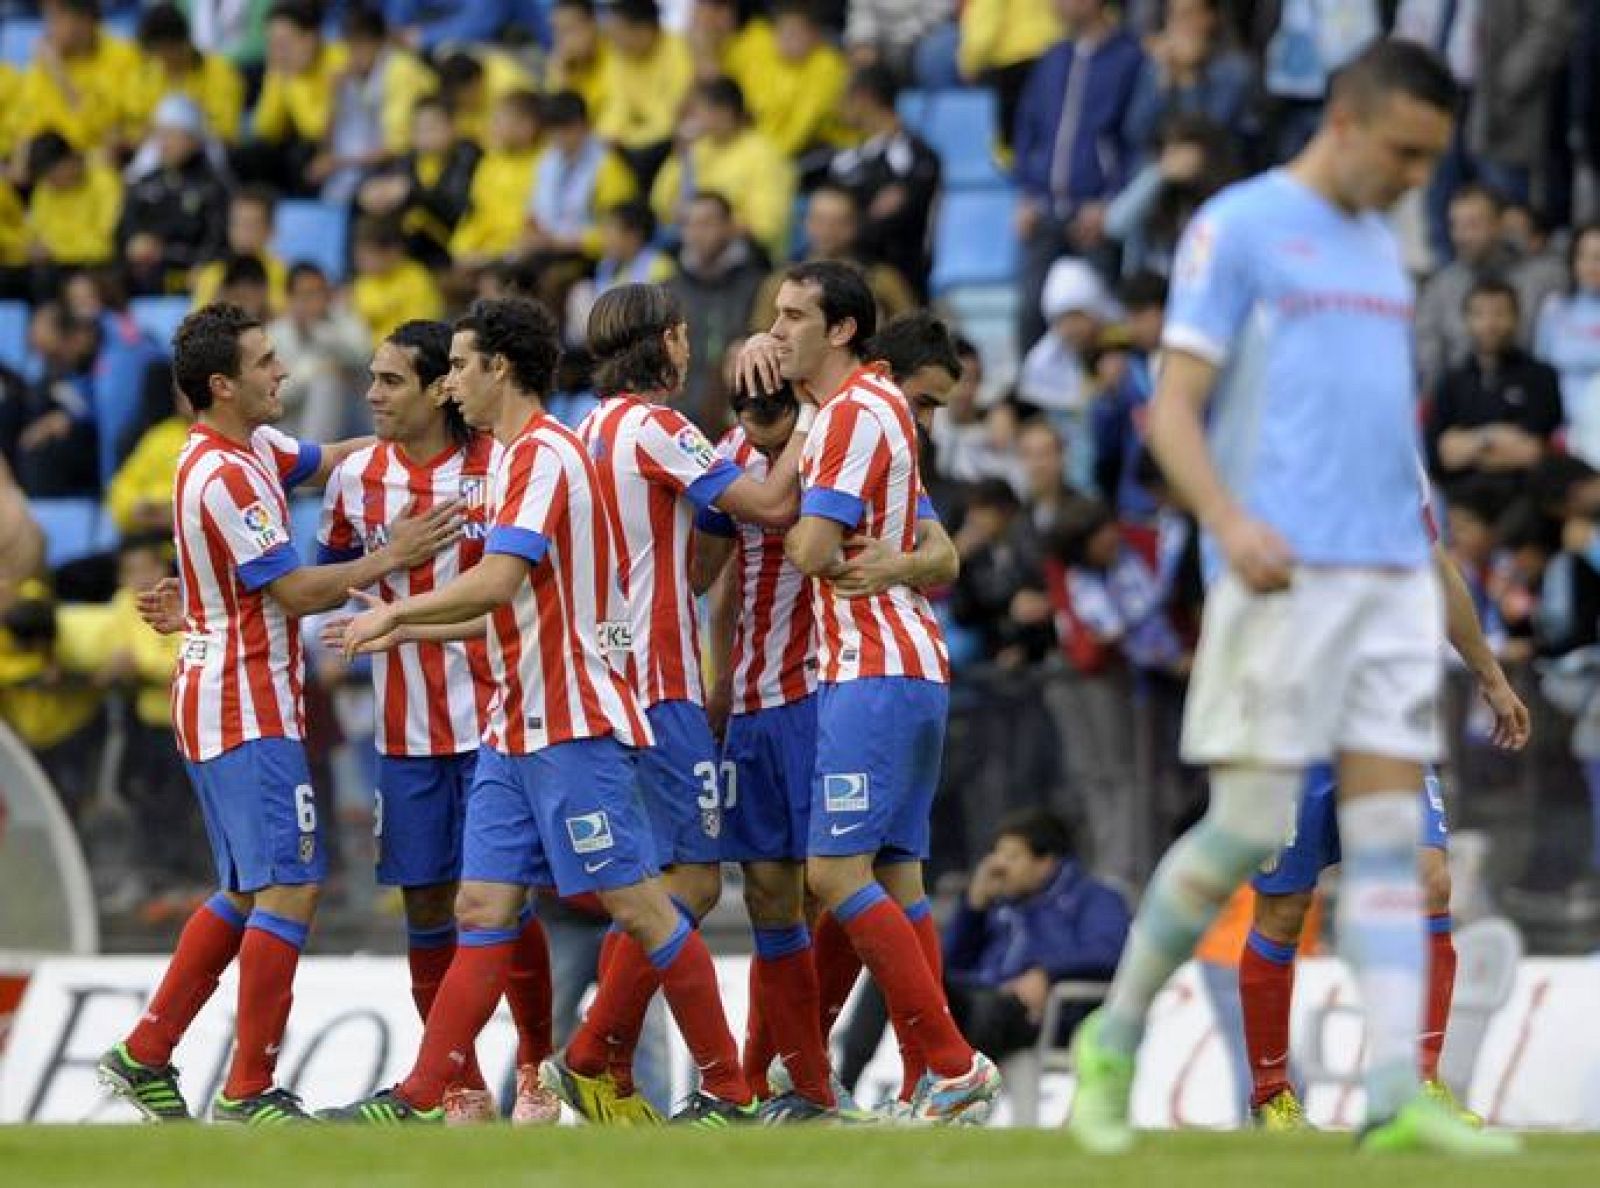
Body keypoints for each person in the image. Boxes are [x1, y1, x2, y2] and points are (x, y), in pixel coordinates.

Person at [1066, 40, 1519, 1156]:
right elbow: (1171, 407)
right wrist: (1228, 522)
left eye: (1432, 160)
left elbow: (1374, 433)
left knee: (1388, 845)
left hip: (1376, 589)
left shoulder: (1382, 249)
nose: (1419, 177)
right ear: (1349, 120)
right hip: (1274, 584)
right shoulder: (1240, 226)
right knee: (1245, 837)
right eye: (1406, 152)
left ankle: (1388, 1094)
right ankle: (1112, 1040)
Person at [325, 297, 756, 1125]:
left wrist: (396, 613)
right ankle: (425, 1093)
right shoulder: (510, 459)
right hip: (512, 724)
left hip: (571, 722)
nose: (449, 382)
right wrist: (404, 630)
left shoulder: (548, 457)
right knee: (479, 908)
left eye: (457, 365)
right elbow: (493, 607)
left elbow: (496, 582)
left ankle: (729, 1086)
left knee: (643, 905)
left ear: (499, 369)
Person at [95, 302, 459, 1124]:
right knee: (291, 889)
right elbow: (294, 593)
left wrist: (441, 437)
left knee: (245, 892)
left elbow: (332, 456)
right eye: (263, 361)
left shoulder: (248, 445)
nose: (281, 370)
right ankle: (249, 1089)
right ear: (221, 385)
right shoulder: (222, 474)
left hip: (226, 688)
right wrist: (391, 555)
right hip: (242, 702)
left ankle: (145, 1052)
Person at [547, 282, 806, 1122]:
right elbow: (770, 504)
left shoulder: (583, 431)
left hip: (595, 683)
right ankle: (627, 1059)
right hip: (656, 686)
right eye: (685, 335)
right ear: (669, 342)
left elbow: (691, 568)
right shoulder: (656, 426)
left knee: (658, 886)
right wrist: (814, 420)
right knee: (691, 886)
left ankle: (598, 1055)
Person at [696, 311, 963, 1120]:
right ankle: (779, 1083)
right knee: (779, 898)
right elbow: (711, 581)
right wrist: (715, 689)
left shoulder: (866, 430)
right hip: (759, 700)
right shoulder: (749, 452)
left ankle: (912, 1068)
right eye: (924, 400)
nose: (920, 422)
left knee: (843, 888)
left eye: (931, 410)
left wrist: (905, 561)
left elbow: (943, 555)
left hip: (836, 686)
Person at [757, 260, 1001, 1123]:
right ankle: (919, 1079)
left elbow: (814, 548)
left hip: (875, 669)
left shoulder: (860, 412)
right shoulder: (857, 413)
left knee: (831, 872)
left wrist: (805, 536)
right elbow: (930, 540)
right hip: (901, 669)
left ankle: (950, 1059)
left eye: (794, 317)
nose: (778, 329)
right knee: (897, 882)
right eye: (776, 316)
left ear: (844, 331)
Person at [314, 320, 561, 1125]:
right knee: (426, 905)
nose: (373, 395)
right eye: (373, 380)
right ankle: (458, 1084)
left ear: (436, 389)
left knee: (500, 902)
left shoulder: (496, 465)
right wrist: (379, 564)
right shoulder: (355, 478)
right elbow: (327, 578)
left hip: (496, 713)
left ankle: (535, 1068)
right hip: (406, 731)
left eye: (391, 381)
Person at [1241, 489, 1533, 1129]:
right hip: (1293, 720)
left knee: (1431, 880)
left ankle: (1419, 1089)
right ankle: (1271, 1097)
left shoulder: (1398, 466)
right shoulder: (1276, 455)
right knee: (1285, 911)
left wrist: (1489, 675)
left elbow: (1436, 566)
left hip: (1383, 715)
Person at [837, 810, 1129, 1093]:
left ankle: (961, 1093)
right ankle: (844, 1085)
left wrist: (1047, 972)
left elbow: (1109, 952)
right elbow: (949, 963)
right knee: (891, 970)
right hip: (977, 1000)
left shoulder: (1093, 898)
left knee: (993, 1006)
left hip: (1040, 1013)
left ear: (1046, 862)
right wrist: (973, 908)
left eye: (1012, 857)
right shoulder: (1000, 900)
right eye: (997, 855)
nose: (998, 866)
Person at [1426, 278, 1563, 503]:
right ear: (1466, 320)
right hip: (1459, 500)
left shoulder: (1541, 376)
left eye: (1500, 313)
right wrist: (1492, 437)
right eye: (1479, 314)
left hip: (1523, 499)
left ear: (1516, 318)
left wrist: (1467, 445)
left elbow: (1532, 453)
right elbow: (1442, 455)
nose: (1489, 324)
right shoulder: (1451, 380)